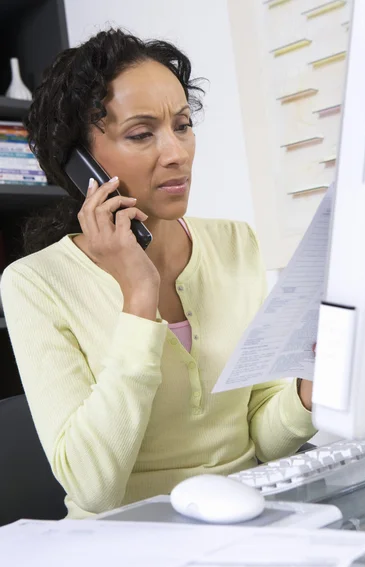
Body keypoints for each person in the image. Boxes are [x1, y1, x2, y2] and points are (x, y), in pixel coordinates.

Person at [0, 28, 317, 519]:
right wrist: (138, 294)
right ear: (78, 163)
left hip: (240, 524)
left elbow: (263, 438)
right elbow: (94, 488)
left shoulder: (236, 244)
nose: (177, 153)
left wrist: (310, 388)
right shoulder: (34, 284)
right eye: (142, 133)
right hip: (121, 549)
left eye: (183, 125)